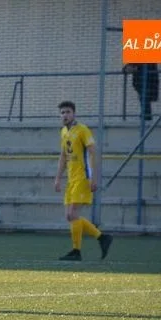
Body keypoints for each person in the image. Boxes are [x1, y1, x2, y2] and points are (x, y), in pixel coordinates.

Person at [54, 100, 112, 261]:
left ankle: (78, 250)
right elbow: (63, 156)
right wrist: (58, 178)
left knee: (73, 213)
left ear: (74, 113)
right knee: (69, 216)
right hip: (71, 179)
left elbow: (93, 153)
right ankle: (100, 238)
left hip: (83, 178)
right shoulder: (64, 132)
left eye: (67, 112)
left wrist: (94, 177)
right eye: (62, 112)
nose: (64, 115)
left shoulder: (83, 130)